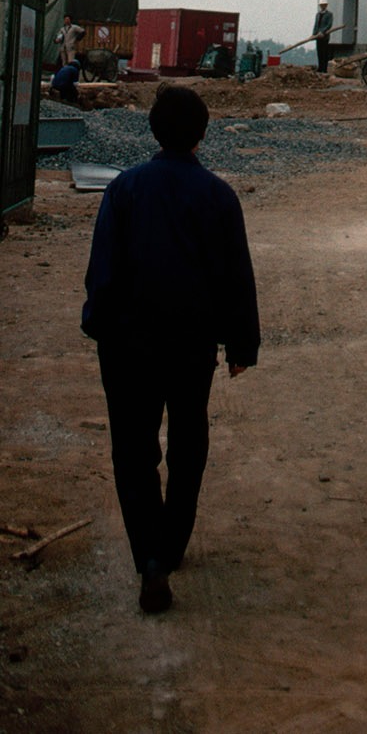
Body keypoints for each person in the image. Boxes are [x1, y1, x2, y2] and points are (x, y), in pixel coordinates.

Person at [81, 84, 259, 614]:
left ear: (153, 131)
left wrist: (99, 325)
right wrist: (241, 344)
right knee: (188, 439)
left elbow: (103, 269)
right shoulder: (219, 197)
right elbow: (236, 278)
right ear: (202, 134)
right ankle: (172, 544)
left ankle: (150, 559)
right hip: (191, 343)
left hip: (128, 343)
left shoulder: (125, 190)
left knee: (133, 448)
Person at [312, 0, 334, 73]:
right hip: (318, 37)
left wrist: (322, 32)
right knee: (319, 52)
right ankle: (320, 67)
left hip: (325, 37)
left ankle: (324, 69)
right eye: (321, 5)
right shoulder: (318, 15)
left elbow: (329, 25)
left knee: (324, 53)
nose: (322, 6)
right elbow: (316, 25)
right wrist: (313, 34)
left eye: (324, 5)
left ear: (326, 5)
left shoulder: (329, 14)